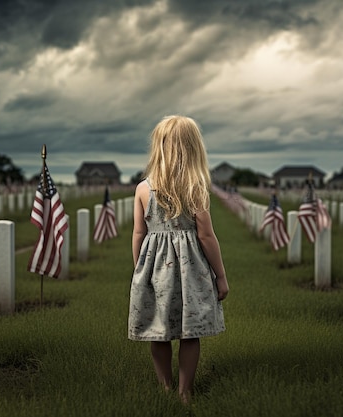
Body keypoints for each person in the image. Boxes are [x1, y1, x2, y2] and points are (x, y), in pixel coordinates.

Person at [128, 115, 229, 404]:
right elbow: (206, 236)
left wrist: (139, 271)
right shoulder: (194, 188)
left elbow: (138, 233)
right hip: (190, 270)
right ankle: (185, 391)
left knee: (158, 332)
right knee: (189, 332)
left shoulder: (143, 189)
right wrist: (220, 276)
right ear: (193, 148)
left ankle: (165, 387)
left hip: (154, 268)